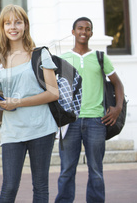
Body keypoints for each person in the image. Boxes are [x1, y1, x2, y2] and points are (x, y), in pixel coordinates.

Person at [0, 4, 59, 203]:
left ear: (25, 25)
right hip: (12, 132)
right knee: (9, 187)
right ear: (2, 27)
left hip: (41, 128)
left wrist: (19, 102)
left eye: (18, 22)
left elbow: (53, 93)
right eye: (8, 23)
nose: (13, 27)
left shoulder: (40, 54)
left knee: (40, 187)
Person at [55, 17, 125, 203]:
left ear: (91, 33)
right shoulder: (64, 60)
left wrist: (117, 108)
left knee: (96, 170)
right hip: (70, 122)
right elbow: (57, 92)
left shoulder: (100, 58)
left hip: (96, 121)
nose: (83, 31)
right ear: (73, 32)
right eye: (79, 28)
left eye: (87, 29)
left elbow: (117, 84)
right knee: (66, 170)